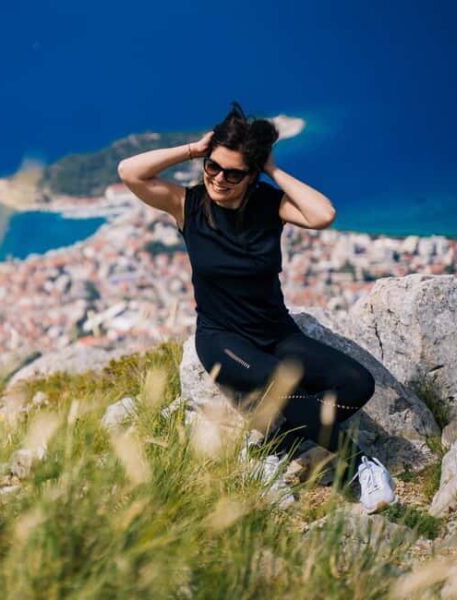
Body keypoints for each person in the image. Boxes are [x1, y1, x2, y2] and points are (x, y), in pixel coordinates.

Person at [116, 102, 397, 513]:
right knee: (283, 386)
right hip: (222, 339)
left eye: (233, 173)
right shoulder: (187, 205)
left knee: (358, 385)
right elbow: (129, 171)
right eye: (213, 167)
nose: (219, 179)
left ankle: (269, 450)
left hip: (277, 333)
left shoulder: (268, 205)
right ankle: (362, 467)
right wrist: (196, 149)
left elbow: (323, 215)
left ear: (251, 175)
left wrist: (273, 170)